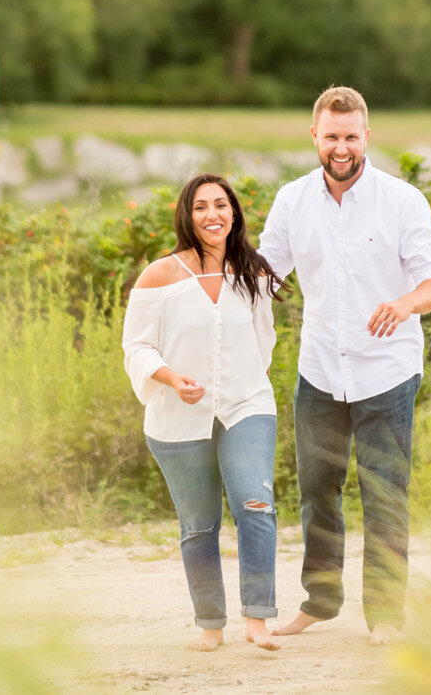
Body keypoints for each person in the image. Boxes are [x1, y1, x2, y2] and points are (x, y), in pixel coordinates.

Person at [258, 86, 431, 646]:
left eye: (350, 136)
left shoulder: (403, 200)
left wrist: (404, 302)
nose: (341, 147)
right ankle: (319, 603)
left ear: (366, 136)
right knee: (317, 490)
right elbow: (267, 277)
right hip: (319, 370)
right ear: (314, 137)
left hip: (386, 373)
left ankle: (386, 615)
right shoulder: (292, 201)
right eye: (331, 136)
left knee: (385, 493)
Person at [122, 173, 288, 652]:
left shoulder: (252, 272)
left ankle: (258, 617)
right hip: (177, 416)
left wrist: (244, 383)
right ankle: (210, 623)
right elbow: (135, 349)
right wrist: (172, 379)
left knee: (256, 505)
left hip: (246, 405)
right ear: (186, 216)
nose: (212, 215)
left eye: (220, 204)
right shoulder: (160, 276)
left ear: (233, 212)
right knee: (198, 524)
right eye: (200, 207)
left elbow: (264, 341)